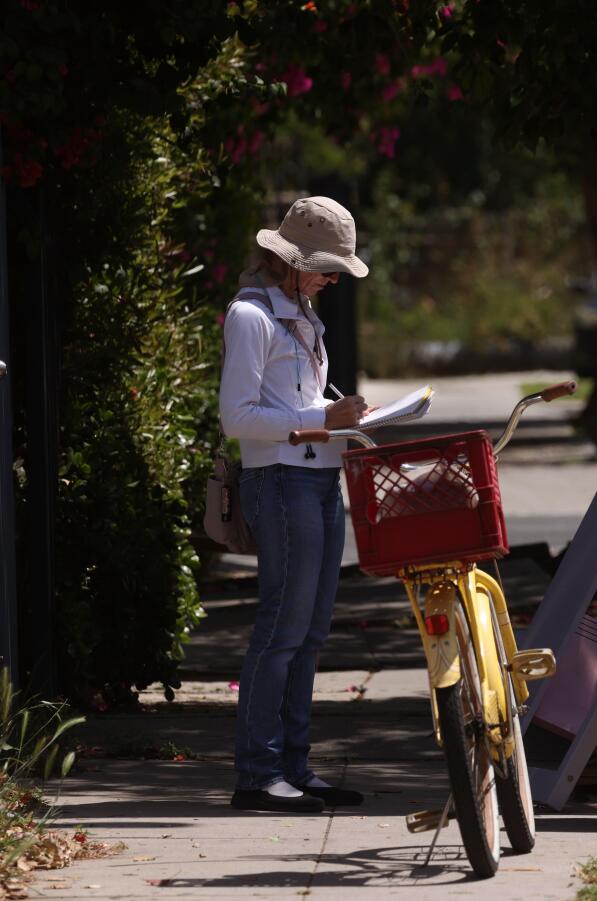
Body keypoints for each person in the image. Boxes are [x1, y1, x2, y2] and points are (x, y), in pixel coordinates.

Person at [219, 196, 369, 813]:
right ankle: (258, 776)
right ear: (292, 260)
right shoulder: (251, 316)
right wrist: (320, 419)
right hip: (279, 484)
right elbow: (238, 418)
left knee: (308, 635)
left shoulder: (303, 313)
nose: (332, 280)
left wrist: (351, 424)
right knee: (281, 632)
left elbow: (298, 406)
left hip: (317, 480)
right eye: (327, 267)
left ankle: (296, 768)